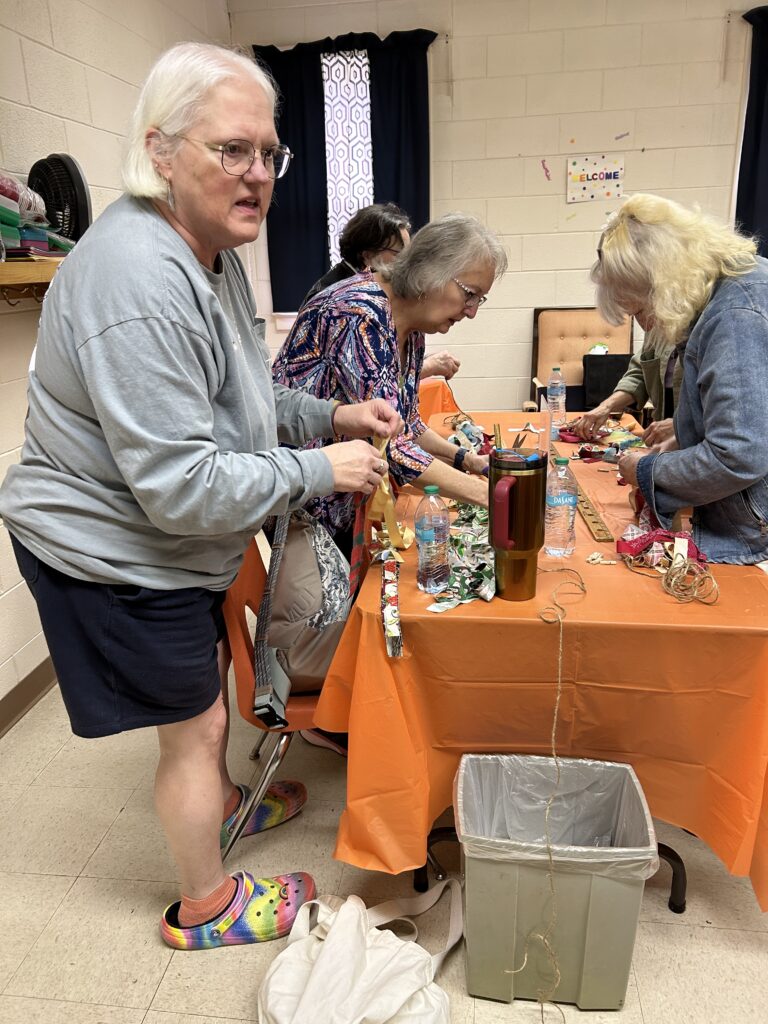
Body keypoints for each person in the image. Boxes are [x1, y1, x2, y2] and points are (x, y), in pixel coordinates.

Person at [0, 42, 402, 951]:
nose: (258, 173)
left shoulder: (207, 254)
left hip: (160, 538)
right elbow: (183, 487)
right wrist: (321, 470)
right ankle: (205, 904)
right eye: (233, 150)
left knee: (208, 708)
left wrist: (332, 414)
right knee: (197, 726)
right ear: (162, 150)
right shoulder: (139, 278)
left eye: (269, 153)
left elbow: (243, 399)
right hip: (110, 549)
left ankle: (220, 804)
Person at [273, 212, 508, 561]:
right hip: (300, 499)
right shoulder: (360, 314)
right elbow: (393, 448)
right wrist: (493, 496)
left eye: (479, 300)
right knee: (325, 609)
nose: (471, 311)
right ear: (431, 272)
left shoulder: (411, 329)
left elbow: (408, 425)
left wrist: (469, 460)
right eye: (469, 295)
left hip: (341, 493)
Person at [590, 193, 768, 563]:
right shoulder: (728, 291)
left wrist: (644, 468)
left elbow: (737, 456)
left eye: (639, 308)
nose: (643, 323)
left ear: (664, 281)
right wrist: (684, 435)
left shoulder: (734, 314)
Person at [302, 201, 461, 381]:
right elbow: (368, 380)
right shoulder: (343, 302)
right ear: (368, 255)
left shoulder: (368, 292)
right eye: (401, 254)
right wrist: (431, 365)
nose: (408, 263)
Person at [572, 324, 681, 449]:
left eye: (638, 312)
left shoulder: (705, 324)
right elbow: (639, 373)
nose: (643, 324)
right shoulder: (655, 326)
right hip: (663, 441)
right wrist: (606, 407)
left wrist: (678, 426)